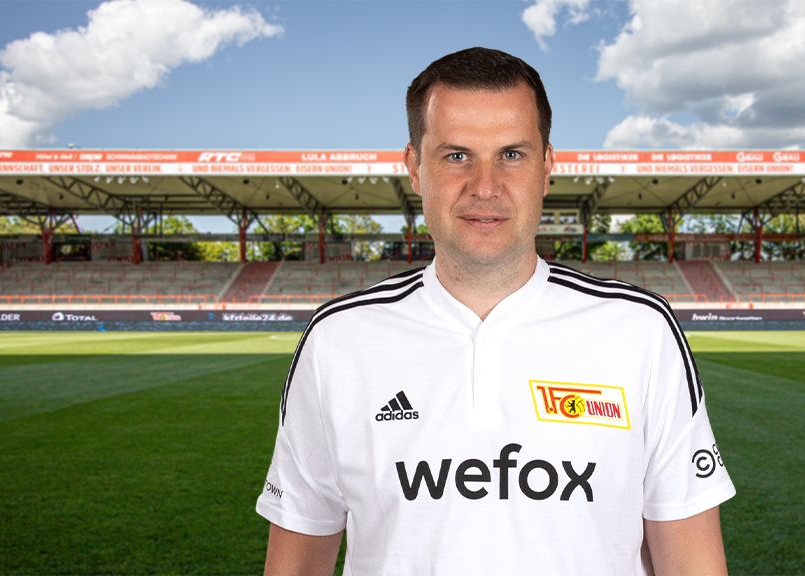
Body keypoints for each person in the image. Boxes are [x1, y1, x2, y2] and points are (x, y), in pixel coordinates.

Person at [257, 47, 735, 575]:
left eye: (511, 154)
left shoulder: (640, 330)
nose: (485, 187)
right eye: (456, 155)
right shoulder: (338, 340)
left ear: (546, 167)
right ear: (415, 168)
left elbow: (693, 564)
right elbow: (294, 563)